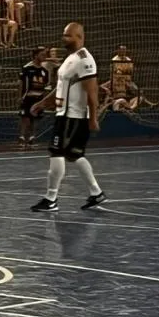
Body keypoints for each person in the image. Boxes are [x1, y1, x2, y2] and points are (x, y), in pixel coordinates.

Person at [30, 22, 106, 212]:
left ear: (79, 37)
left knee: (56, 152)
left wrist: (93, 118)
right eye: (64, 34)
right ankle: (96, 192)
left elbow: (92, 92)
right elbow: (61, 87)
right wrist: (42, 103)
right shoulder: (70, 59)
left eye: (68, 35)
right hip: (65, 114)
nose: (64, 38)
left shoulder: (84, 60)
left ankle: (51, 198)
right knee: (74, 155)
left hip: (73, 117)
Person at [19, 46, 50, 148]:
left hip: (39, 98)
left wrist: (44, 99)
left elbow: (46, 86)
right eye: (42, 54)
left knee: (36, 118)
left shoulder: (44, 71)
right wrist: (20, 96)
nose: (44, 56)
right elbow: (21, 83)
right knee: (25, 117)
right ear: (36, 55)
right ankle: (22, 137)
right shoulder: (27, 68)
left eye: (45, 55)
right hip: (28, 97)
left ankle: (32, 137)